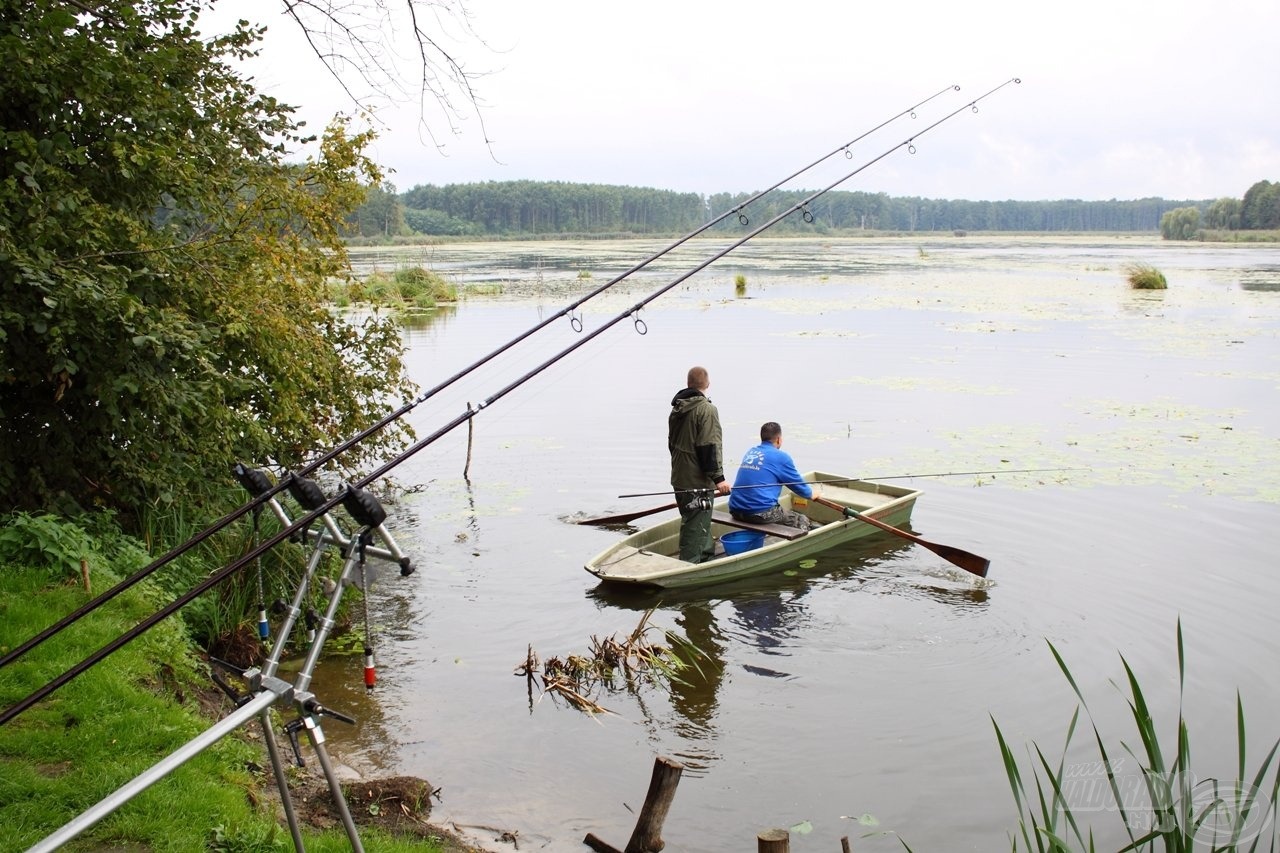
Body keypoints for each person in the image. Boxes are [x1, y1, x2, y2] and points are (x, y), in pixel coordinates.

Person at [668, 366, 730, 563]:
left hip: (679, 475)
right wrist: (719, 478)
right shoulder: (707, 410)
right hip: (696, 479)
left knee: (695, 519)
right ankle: (690, 563)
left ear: (688, 384)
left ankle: (705, 555)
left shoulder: (677, 409)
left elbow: (671, 443)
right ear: (708, 384)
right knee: (695, 523)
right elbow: (708, 447)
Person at [728, 422, 814, 531]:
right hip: (760, 513)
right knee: (802, 520)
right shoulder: (781, 457)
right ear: (779, 439)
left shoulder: (751, 452)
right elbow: (801, 488)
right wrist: (812, 494)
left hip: (735, 510)